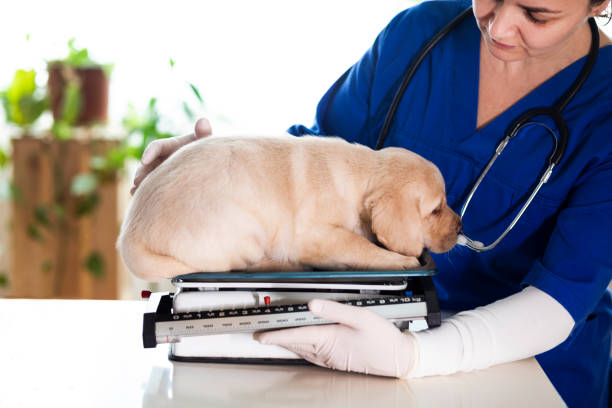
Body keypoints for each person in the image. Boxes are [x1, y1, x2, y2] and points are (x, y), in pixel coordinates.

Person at [131, 1, 612, 406]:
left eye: (537, 13)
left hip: (529, 374)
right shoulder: (420, 35)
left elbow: (561, 298)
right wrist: (218, 169)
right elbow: (321, 162)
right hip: (355, 346)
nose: (500, 24)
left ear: (599, 4)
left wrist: (415, 357)